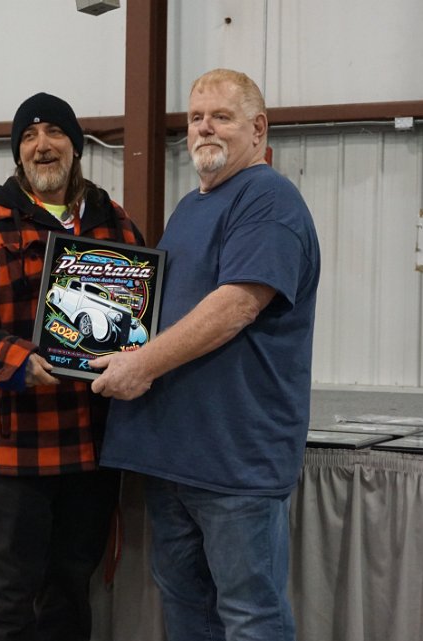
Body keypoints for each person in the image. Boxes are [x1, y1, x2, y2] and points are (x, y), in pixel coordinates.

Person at [90, 69, 321, 641]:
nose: (204, 128)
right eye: (196, 118)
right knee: (187, 608)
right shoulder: (190, 207)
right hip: (174, 454)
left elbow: (238, 304)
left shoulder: (268, 198)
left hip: (234, 461)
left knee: (250, 616)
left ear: (257, 128)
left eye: (221, 116)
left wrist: (140, 364)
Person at [0, 92, 145, 641]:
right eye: (29, 137)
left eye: (54, 133)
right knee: (8, 590)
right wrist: (16, 359)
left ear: (75, 147)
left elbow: (142, 316)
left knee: (70, 589)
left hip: (92, 446)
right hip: (16, 445)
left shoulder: (116, 223)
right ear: (18, 154)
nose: (42, 145)